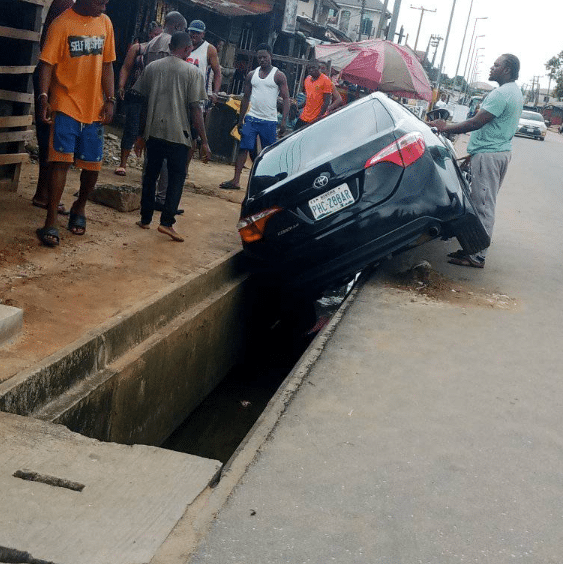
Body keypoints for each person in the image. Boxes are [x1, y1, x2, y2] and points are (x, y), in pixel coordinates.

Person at [429, 54, 523, 268]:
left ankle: (478, 255)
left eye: (496, 65)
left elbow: (476, 123)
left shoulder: (501, 94)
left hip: (490, 154)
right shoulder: (514, 91)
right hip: (495, 152)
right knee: (481, 200)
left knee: (483, 204)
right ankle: (474, 248)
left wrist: (444, 128)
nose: (492, 67)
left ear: (507, 70)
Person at [35, 0, 116, 247]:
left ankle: (79, 207)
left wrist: (110, 99)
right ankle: (51, 220)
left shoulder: (105, 23)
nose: (104, 3)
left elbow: (107, 64)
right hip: (65, 104)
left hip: (95, 108)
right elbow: (46, 64)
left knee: (92, 167)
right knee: (60, 162)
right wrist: (44, 97)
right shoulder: (61, 24)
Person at [133, 32, 210, 242]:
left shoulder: (152, 68)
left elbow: (143, 104)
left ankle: (145, 219)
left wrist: (140, 135)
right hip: (179, 135)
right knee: (176, 179)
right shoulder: (193, 72)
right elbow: (196, 110)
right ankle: (167, 223)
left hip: (154, 132)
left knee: (150, 176)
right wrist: (204, 141)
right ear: (186, 49)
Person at [219, 43, 289, 191]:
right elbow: (246, 97)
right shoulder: (252, 75)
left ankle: (266, 183)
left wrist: (283, 121)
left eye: (264, 57)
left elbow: (286, 99)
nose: (262, 60)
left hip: (269, 121)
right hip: (251, 118)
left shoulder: (278, 75)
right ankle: (236, 180)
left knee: (267, 152)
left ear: (271, 56)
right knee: (243, 148)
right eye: (259, 58)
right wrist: (241, 119)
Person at [31, 0, 74, 216]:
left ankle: (44, 193)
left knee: (48, 139)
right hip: (53, 78)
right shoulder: (66, 6)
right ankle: (45, 194)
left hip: (51, 76)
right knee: (51, 139)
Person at [142, 11, 187, 212]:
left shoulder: (150, 44)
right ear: (177, 26)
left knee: (151, 157)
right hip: (170, 104)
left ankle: (148, 199)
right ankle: (161, 198)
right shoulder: (173, 45)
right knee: (169, 158)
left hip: (151, 101)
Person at [115, 24, 163, 176]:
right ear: (150, 34)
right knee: (131, 127)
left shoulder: (165, 53)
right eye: (156, 34)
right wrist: (121, 86)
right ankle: (123, 163)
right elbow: (126, 67)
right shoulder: (138, 49)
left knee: (151, 131)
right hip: (135, 94)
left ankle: (149, 168)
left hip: (155, 97)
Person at [185, 19, 222, 171]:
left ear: (203, 34)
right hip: (181, 93)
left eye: (197, 33)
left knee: (193, 133)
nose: (193, 35)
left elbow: (218, 72)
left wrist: (215, 92)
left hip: (199, 95)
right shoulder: (183, 45)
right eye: (191, 31)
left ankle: (185, 167)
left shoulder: (209, 49)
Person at [294, 60, 332, 130]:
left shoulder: (326, 80)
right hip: (304, 116)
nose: (311, 70)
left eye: (313, 68)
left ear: (319, 68)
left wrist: (319, 117)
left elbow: (327, 101)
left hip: (316, 118)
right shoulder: (307, 80)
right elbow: (308, 98)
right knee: (295, 133)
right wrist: (297, 106)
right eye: (309, 68)